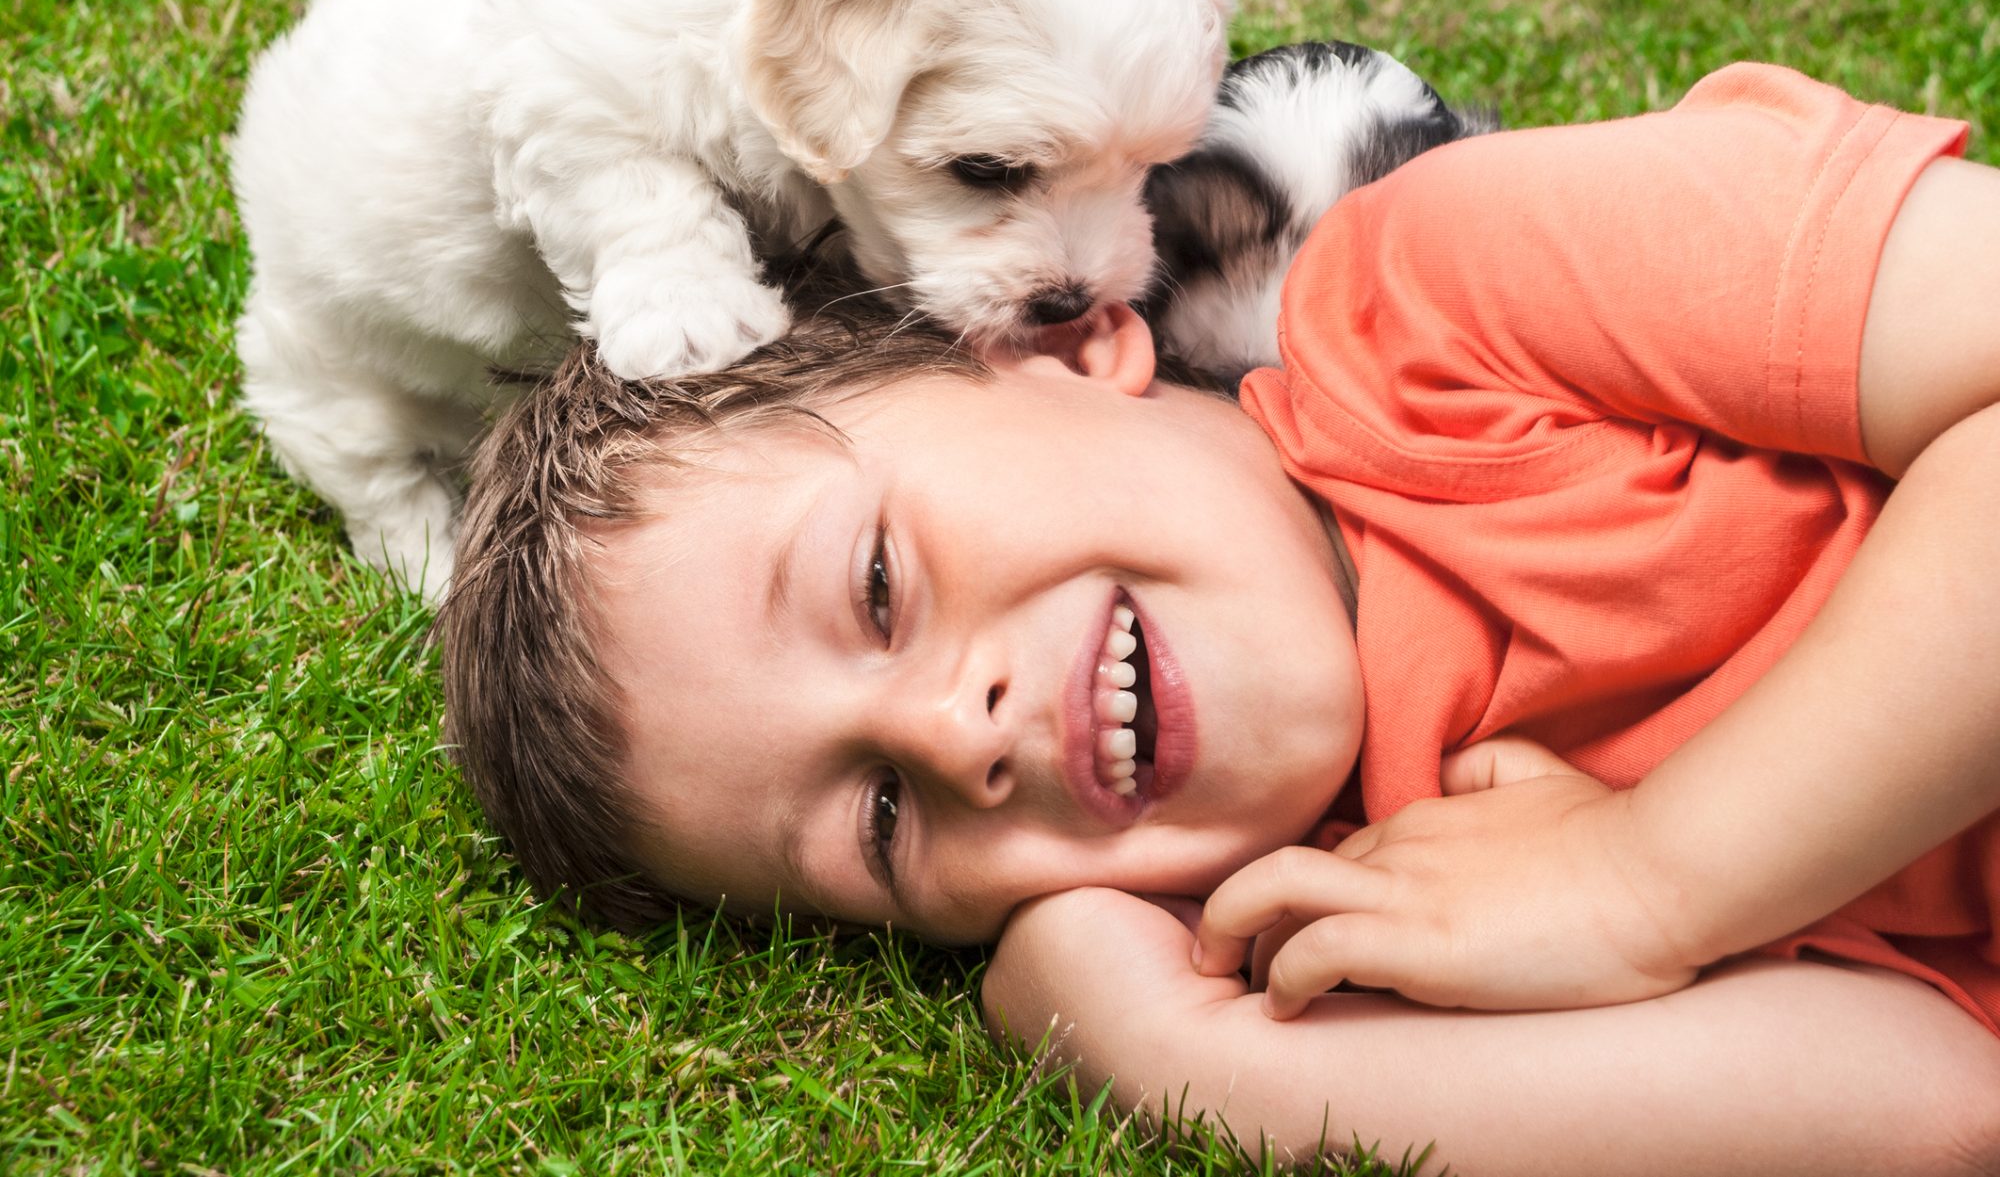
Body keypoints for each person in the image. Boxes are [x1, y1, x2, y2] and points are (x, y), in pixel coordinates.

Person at [439, 64, 2000, 1174]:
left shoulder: (1448, 292)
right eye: (881, 819)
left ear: (1058, 343)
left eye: (874, 588)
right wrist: (1216, 1066)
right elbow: (1935, 1104)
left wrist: (1653, 881)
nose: (950, 731)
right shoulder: (1334, 921)